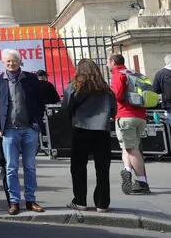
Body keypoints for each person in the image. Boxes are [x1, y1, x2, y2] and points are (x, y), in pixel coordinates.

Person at [0, 49, 46, 215]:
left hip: (29, 129)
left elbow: (39, 101)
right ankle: (14, 201)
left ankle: (30, 200)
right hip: (9, 131)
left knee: (30, 167)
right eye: (8, 61)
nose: (11, 64)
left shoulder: (30, 78)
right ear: (3, 63)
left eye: (14, 61)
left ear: (20, 61)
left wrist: (37, 122)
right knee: (11, 168)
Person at [62, 59, 117, 213]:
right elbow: (113, 110)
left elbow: (65, 106)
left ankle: (80, 200)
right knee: (102, 168)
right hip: (102, 130)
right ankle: (102, 203)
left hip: (81, 128)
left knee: (78, 166)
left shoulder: (74, 86)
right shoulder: (105, 88)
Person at [109, 53, 150, 194]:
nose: (107, 65)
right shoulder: (132, 73)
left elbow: (118, 95)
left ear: (113, 62)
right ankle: (127, 171)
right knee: (128, 147)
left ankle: (141, 182)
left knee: (132, 149)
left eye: (108, 62)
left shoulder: (117, 74)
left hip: (126, 115)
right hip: (140, 115)